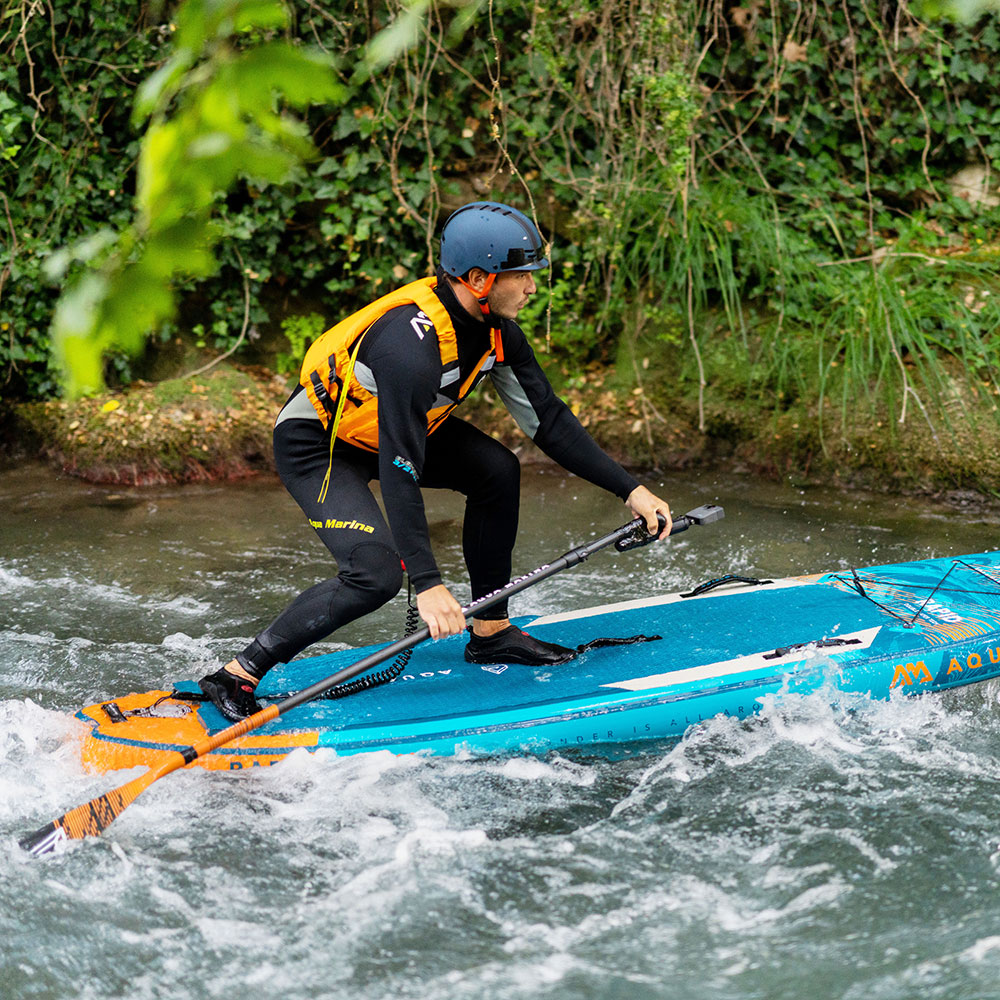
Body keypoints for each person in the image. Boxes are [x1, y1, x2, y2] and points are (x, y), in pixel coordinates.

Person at [198, 201, 672, 722]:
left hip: (393, 434)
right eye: (522, 276)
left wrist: (631, 490)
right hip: (320, 445)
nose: (532, 288)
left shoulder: (498, 333)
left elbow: (549, 423)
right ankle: (237, 673)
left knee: (497, 470)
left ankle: (490, 632)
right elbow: (403, 470)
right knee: (375, 573)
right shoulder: (410, 346)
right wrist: (427, 583)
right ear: (478, 279)